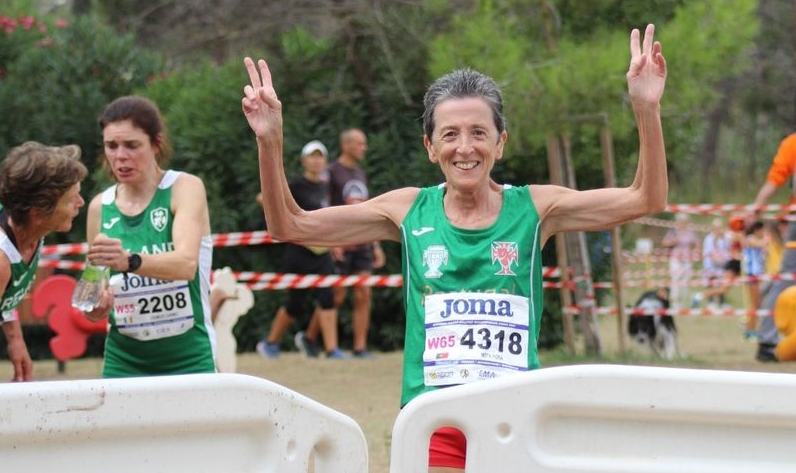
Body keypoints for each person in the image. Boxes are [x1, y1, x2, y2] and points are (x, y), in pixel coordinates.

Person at [241, 22, 667, 472]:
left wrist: (646, 109)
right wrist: (269, 142)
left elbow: (646, 198)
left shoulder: (536, 208)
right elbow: (289, 225)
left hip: (516, 418)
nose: (465, 148)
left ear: (500, 143)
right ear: (430, 147)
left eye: (479, 133)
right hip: (434, 422)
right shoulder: (407, 211)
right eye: (450, 134)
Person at [83, 95, 217, 377]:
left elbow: (186, 265)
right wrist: (95, 306)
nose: (120, 156)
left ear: (156, 144)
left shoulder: (185, 188)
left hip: (190, 358)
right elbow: (94, 292)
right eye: (111, 146)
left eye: (132, 145)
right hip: (124, 362)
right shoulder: (99, 208)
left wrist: (129, 261)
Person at [0, 141, 87, 384]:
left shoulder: (29, 230)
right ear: (39, 211)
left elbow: (3, 293)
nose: (81, 203)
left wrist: (15, 339)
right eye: (72, 199)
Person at [255, 140, 344, 359]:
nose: (316, 160)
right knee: (295, 303)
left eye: (320, 156)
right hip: (298, 251)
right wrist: (284, 222)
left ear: (325, 161)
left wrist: (334, 243)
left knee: (327, 298)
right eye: (312, 156)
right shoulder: (295, 184)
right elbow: (262, 197)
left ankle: (332, 350)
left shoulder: (326, 187)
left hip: (322, 252)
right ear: (304, 161)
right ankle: (270, 343)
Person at [746, 116, 796, 362]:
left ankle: (767, 341)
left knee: (786, 278)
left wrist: (754, 211)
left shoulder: (794, 142)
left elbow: (774, 181)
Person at [327, 128, 385, 358]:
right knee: (336, 296)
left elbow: (367, 210)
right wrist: (331, 241)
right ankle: (311, 339)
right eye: (360, 143)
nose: (364, 148)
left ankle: (359, 347)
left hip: (362, 243)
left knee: (363, 293)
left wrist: (376, 244)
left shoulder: (360, 173)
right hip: (340, 242)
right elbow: (325, 206)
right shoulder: (331, 172)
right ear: (346, 145)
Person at [660, 213, 699, 309]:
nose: (682, 224)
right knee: (676, 280)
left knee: (685, 280)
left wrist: (695, 253)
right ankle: (675, 302)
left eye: (684, 222)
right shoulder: (673, 232)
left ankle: (683, 301)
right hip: (675, 259)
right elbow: (664, 243)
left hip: (686, 259)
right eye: (680, 222)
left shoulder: (689, 232)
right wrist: (673, 241)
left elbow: (697, 242)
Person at [701, 218, 730, 306]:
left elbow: (727, 250)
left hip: (722, 266)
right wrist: (717, 259)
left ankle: (722, 302)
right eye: (716, 228)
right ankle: (711, 302)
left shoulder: (724, 238)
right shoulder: (708, 239)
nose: (718, 230)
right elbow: (708, 253)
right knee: (711, 283)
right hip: (711, 266)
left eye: (720, 227)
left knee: (722, 284)